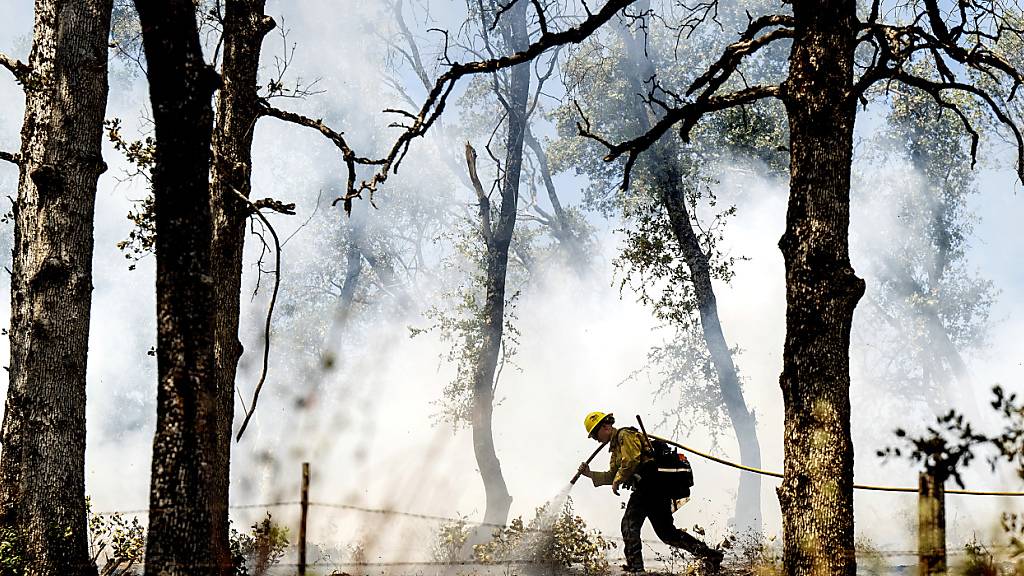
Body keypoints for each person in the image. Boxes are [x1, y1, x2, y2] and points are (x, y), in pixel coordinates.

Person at [577, 411, 723, 574]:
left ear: (604, 427)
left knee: (629, 524)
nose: (596, 440)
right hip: (655, 490)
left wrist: (618, 480)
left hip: (650, 485)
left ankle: (636, 569)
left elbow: (631, 460)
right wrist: (590, 474)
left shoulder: (625, 435)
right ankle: (710, 555)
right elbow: (612, 474)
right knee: (667, 533)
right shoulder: (615, 448)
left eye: (595, 435)